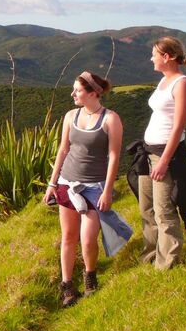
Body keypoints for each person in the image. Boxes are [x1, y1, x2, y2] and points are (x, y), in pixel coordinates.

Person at [44, 71, 131, 306]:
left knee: (89, 239)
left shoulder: (111, 119)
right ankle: (67, 286)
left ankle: (90, 277)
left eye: (78, 90)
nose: (73, 94)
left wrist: (107, 191)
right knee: (68, 237)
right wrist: (52, 184)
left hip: (93, 187)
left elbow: (114, 156)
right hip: (67, 183)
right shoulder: (70, 116)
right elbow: (63, 150)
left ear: (93, 93)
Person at [126, 36, 186, 270]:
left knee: (163, 210)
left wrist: (164, 162)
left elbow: (179, 125)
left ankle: (168, 263)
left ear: (167, 57)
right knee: (146, 208)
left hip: (165, 156)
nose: (151, 58)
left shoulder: (182, 83)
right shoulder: (163, 82)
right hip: (149, 152)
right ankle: (150, 255)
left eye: (154, 55)